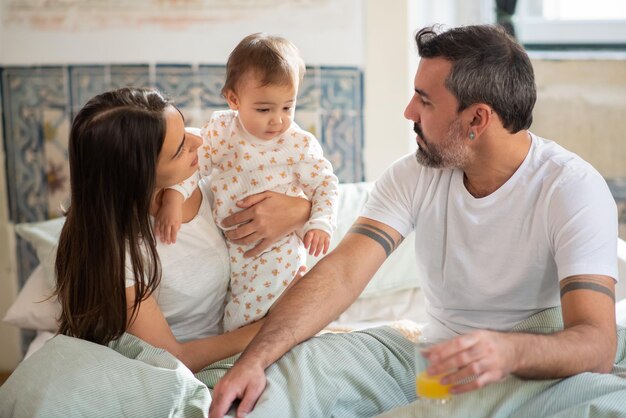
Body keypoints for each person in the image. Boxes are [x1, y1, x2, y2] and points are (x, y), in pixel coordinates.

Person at [210, 24, 619, 417]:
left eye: (425, 101)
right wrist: (254, 359)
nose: (409, 112)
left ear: (477, 119)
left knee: (601, 406)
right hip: (434, 368)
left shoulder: (571, 189)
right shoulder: (415, 174)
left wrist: (508, 351)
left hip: (533, 375)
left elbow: (597, 345)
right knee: (290, 377)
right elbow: (343, 274)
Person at [54, 87, 312, 373]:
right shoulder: (116, 252)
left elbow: (309, 194)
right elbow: (176, 357)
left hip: (258, 332)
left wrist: (302, 211)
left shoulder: (211, 167)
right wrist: (284, 320)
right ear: (137, 176)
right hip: (197, 365)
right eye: (180, 148)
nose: (199, 141)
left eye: (186, 127)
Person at [155, 33, 338, 332]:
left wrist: (320, 222)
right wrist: (174, 197)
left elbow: (325, 184)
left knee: (257, 318)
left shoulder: (298, 144)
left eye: (288, 108)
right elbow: (194, 166)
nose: (278, 120)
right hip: (236, 253)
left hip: (279, 251)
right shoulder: (221, 131)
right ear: (234, 99)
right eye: (264, 109)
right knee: (237, 315)